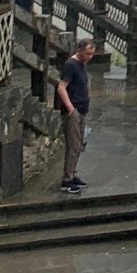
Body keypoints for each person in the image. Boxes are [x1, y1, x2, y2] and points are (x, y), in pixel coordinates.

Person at [57, 39, 95, 191]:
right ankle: (67, 179)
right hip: (73, 110)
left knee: (79, 144)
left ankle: (73, 174)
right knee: (73, 145)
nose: (90, 57)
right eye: (87, 54)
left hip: (82, 108)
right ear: (80, 51)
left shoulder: (81, 65)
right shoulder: (70, 65)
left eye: (92, 54)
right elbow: (61, 87)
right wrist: (71, 109)